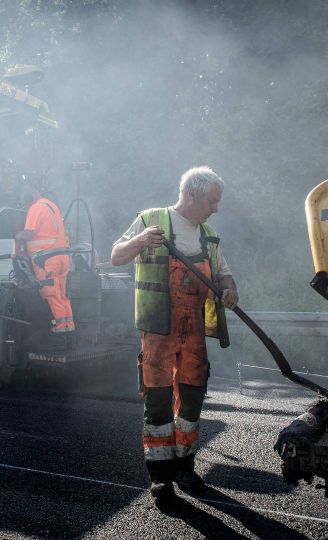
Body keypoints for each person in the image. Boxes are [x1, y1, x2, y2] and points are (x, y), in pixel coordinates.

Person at [111, 166, 239, 506]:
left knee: (192, 403)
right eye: (212, 200)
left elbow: (225, 276)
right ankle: (160, 478)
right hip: (157, 332)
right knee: (158, 405)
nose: (216, 208)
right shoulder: (151, 220)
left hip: (193, 333)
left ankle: (185, 468)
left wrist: (230, 290)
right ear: (192, 194)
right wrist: (140, 240)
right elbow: (115, 256)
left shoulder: (208, 235)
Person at [16, 185, 75, 333]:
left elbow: (29, 233)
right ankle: (69, 325)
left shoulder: (35, 208)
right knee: (62, 294)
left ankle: (61, 327)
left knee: (50, 293)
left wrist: (15, 236)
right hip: (62, 257)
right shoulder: (51, 205)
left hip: (46, 259)